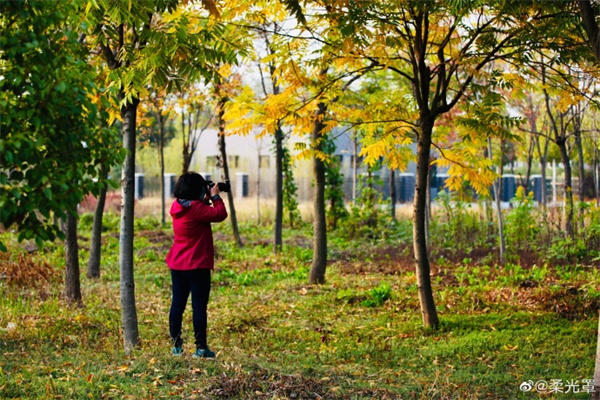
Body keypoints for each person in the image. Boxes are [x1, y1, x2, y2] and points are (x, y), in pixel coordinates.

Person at [165, 172, 227, 358]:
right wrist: (215, 196)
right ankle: (200, 349)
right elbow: (220, 214)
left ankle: (176, 346)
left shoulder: (178, 206)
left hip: (178, 264)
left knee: (177, 304)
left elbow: (198, 209)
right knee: (199, 307)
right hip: (197, 265)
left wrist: (205, 198)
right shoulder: (196, 209)